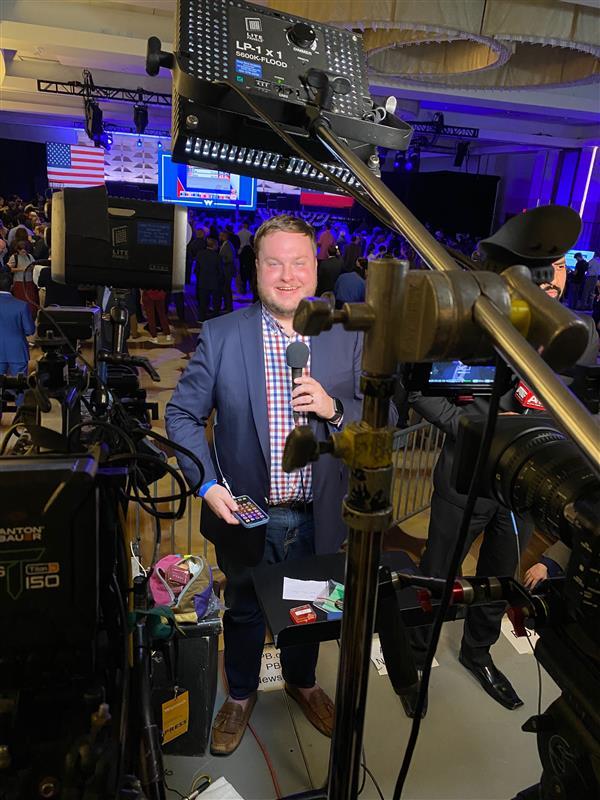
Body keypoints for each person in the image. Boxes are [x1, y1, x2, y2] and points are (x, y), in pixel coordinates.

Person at [165, 215, 366, 756]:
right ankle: (241, 695)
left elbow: (376, 419)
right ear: (256, 268)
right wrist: (206, 484)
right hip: (246, 514)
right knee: (247, 610)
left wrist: (335, 409)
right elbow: (181, 417)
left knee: (309, 612)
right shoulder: (222, 334)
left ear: (315, 268)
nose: (286, 276)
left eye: (299, 262)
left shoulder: (347, 336)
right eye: (273, 262)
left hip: (318, 514)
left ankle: (303, 682)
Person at [408, 258, 599, 716]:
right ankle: (415, 661)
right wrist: (477, 429)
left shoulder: (581, 333)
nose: (552, 275)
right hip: (466, 479)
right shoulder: (478, 320)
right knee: (436, 575)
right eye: (542, 266)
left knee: (499, 578)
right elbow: (419, 389)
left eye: (559, 266)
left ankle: (478, 653)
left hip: (526, 487)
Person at [0, 272, 35, 419]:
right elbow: (29, 330)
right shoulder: (21, 306)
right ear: (12, 285)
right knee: (21, 385)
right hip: (17, 351)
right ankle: (22, 418)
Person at [195, 237, 221, 322]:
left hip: (202, 280)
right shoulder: (217, 256)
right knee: (215, 301)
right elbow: (220, 270)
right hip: (214, 281)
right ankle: (215, 318)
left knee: (203, 301)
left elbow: (197, 268)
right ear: (214, 246)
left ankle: (201, 317)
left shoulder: (200, 254)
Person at [218, 231, 236, 313]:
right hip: (225, 270)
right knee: (225, 289)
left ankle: (228, 307)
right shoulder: (225, 244)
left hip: (227, 271)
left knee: (227, 290)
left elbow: (230, 258)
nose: (219, 237)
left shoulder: (228, 245)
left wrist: (220, 260)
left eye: (221, 235)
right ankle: (226, 306)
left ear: (224, 236)